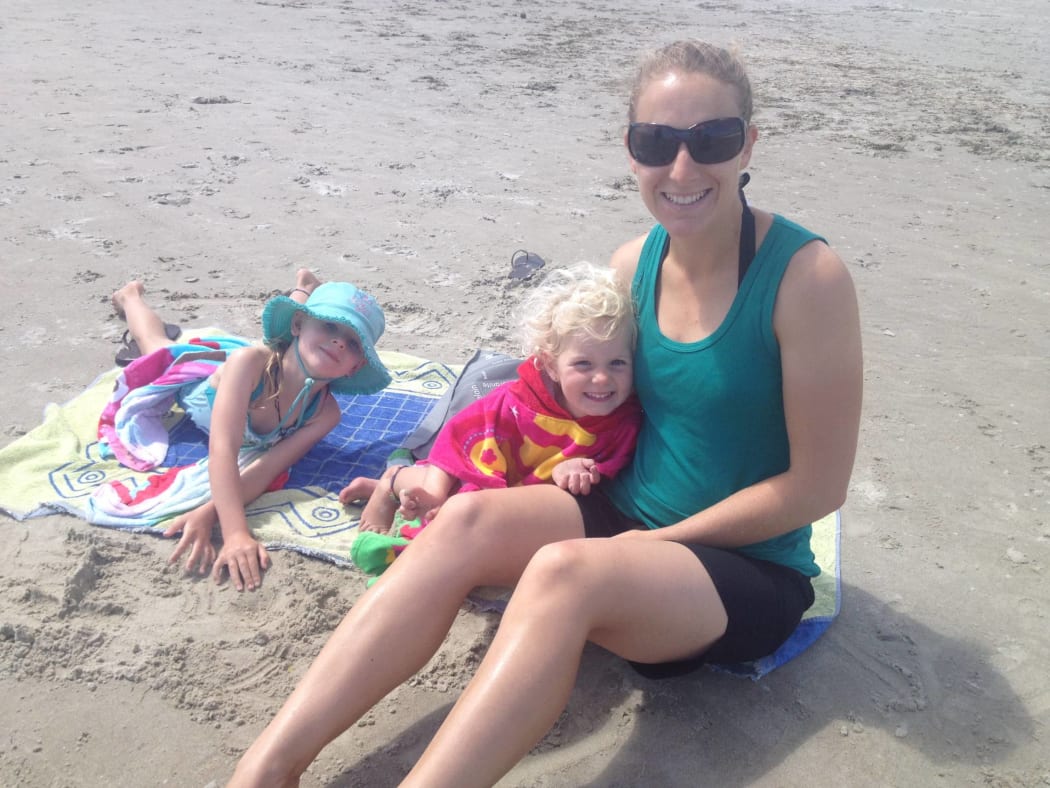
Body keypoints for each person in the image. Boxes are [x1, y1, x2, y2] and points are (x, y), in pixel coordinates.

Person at [230, 39, 862, 786]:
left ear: (749, 144)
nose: (683, 168)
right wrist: (442, 465)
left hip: (740, 568)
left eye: (712, 140)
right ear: (631, 152)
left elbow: (817, 488)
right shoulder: (635, 263)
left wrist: (662, 545)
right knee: (462, 521)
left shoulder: (805, 277)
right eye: (656, 142)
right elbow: (567, 395)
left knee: (567, 574)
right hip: (622, 510)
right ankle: (266, 770)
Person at [91, 269, 391, 591]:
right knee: (157, 345)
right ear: (299, 324)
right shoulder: (246, 364)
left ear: (356, 367)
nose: (338, 342)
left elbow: (268, 467)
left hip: (278, 364)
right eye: (330, 326)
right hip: (208, 376)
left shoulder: (325, 414)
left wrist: (211, 512)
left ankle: (303, 289)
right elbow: (223, 449)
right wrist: (236, 533)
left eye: (353, 343)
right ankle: (130, 297)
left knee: (285, 355)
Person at [338, 263, 642, 542]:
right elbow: (460, 438)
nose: (602, 379)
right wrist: (443, 489)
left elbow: (614, 470)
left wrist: (582, 469)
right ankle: (390, 483)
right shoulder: (517, 404)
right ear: (551, 366)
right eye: (584, 365)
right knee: (439, 492)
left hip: (526, 496)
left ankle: (392, 487)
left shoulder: (624, 419)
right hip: (481, 471)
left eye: (617, 363)